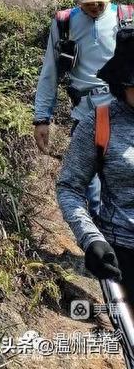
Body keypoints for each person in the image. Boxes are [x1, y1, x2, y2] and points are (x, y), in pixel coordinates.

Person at [34, 0, 131, 218]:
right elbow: (50, 72)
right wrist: (42, 118)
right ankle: (102, 250)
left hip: (124, 115)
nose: (95, 6)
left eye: (99, 1)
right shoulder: (64, 23)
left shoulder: (127, 18)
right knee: (92, 193)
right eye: (88, 2)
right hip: (85, 118)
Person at [57, 27, 134, 306]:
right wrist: (90, 239)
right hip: (123, 255)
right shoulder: (99, 124)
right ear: (121, 84)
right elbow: (70, 187)